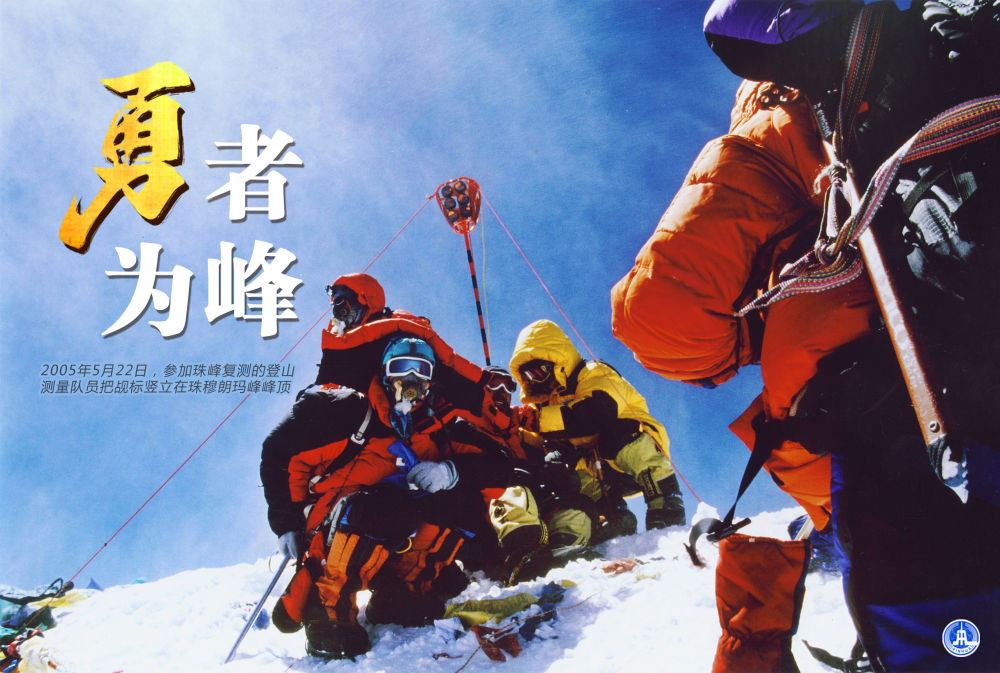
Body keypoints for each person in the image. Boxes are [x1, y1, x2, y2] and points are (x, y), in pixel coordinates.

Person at [612, 2, 1000, 669]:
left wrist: (757, 323)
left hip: (895, 423)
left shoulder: (785, 124)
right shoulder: (933, 52)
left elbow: (660, 313)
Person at [260, 336, 514, 660]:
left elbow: (500, 464)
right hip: (337, 526)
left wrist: (449, 471)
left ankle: (404, 591)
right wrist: (286, 524)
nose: (411, 379)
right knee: (383, 507)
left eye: (421, 371)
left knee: (459, 501)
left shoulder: (438, 425)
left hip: (396, 535)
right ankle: (327, 610)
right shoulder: (349, 409)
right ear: (385, 373)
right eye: (401, 367)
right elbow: (279, 453)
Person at [507, 319, 686, 543]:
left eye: (538, 372)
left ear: (557, 362)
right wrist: (517, 431)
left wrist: (536, 419)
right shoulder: (546, 402)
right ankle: (610, 516)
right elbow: (542, 441)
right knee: (557, 462)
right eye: (527, 376)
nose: (534, 380)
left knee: (614, 436)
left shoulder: (593, 373)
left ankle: (666, 505)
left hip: (633, 450)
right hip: (597, 468)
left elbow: (597, 411)